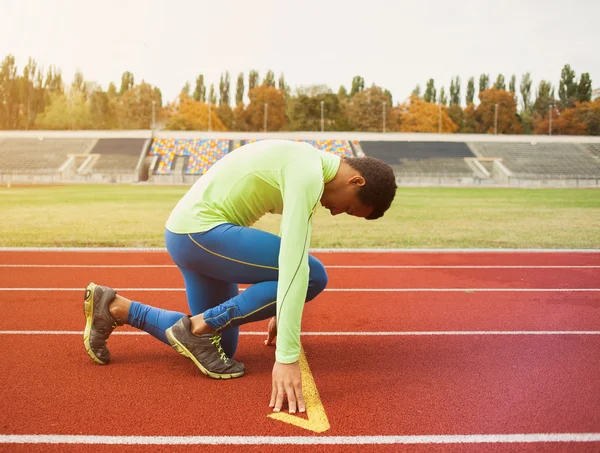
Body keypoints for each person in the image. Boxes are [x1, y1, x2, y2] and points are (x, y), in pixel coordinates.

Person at [83, 139, 397, 414]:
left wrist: (279, 305)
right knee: (313, 275)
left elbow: (289, 266)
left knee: (222, 347)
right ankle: (198, 327)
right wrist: (286, 359)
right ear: (355, 181)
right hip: (200, 233)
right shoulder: (307, 172)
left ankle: (115, 308)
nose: (337, 213)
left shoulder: (309, 163)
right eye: (351, 209)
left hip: (189, 234)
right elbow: (293, 263)